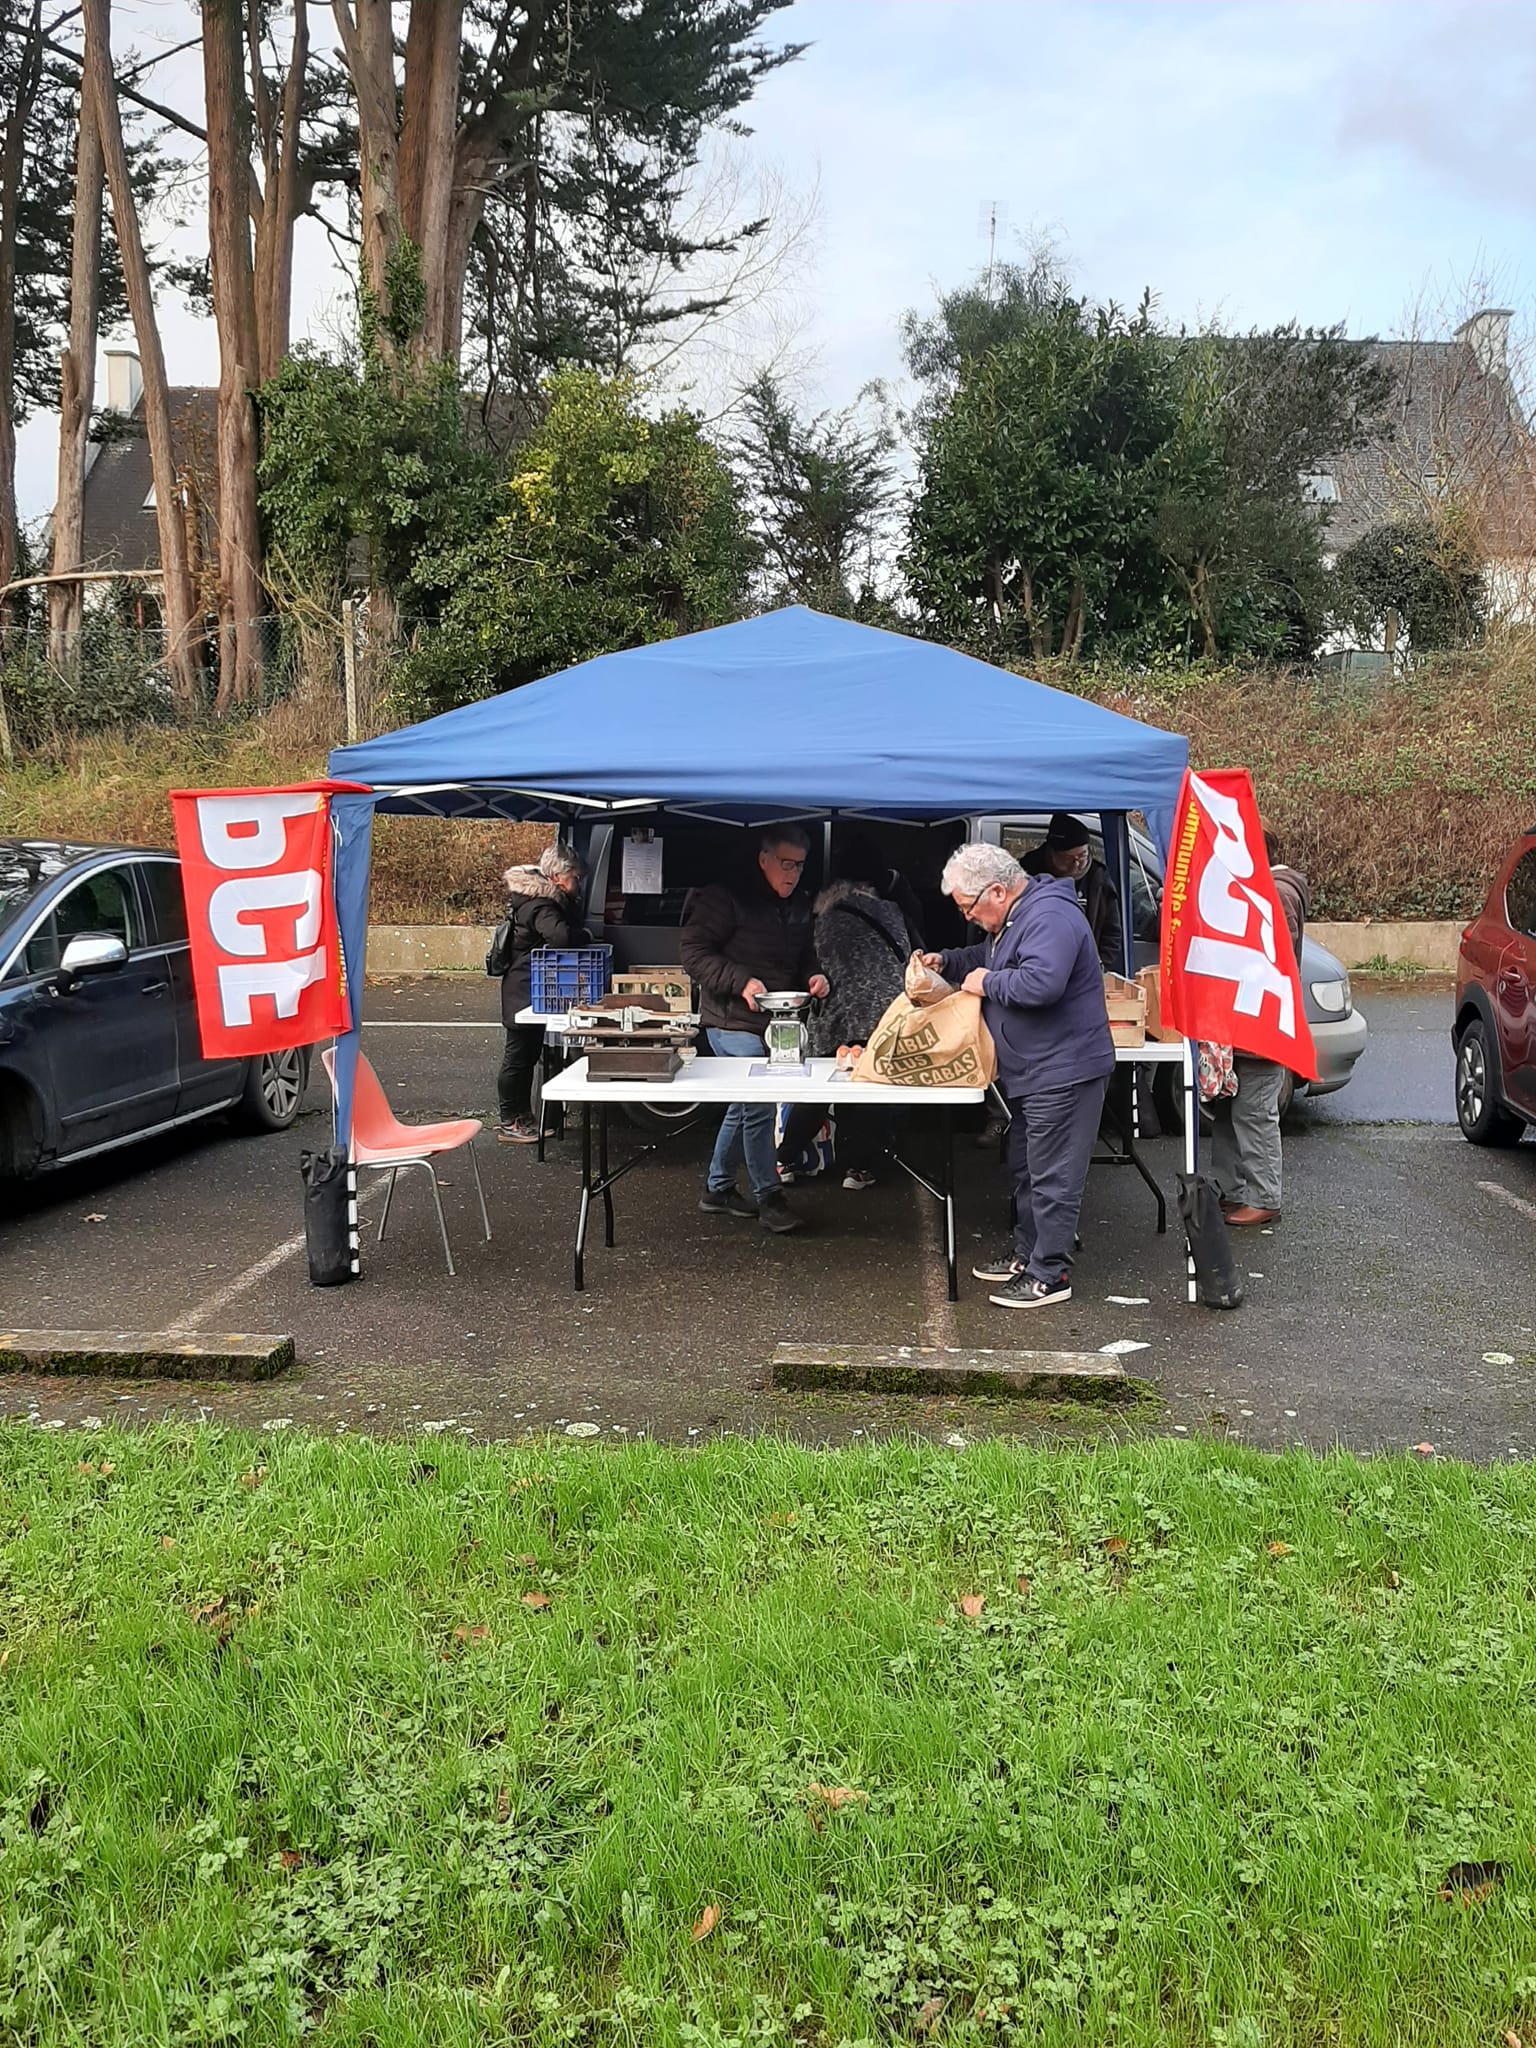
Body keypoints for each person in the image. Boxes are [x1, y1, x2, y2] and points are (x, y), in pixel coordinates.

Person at [925, 841, 1114, 1309]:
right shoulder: (1015, 919)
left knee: (1053, 1175)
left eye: (968, 907)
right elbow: (989, 956)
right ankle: (1028, 1255)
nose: (968, 917)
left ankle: (1049, 1274)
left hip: (1063, 1070)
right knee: (1028, 1168)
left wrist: (985, 983)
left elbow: (1041, 983)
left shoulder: (1049, 917)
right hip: (1035, 1070)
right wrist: (948, 962)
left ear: (996, 891)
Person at [680, 826, 828, 1233]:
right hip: (730, 1020)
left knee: (744, 1103)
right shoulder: (725, 896)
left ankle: (718, 1189)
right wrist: (741, 981)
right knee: (759, 1099)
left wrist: (815, 976)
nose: (793, 874)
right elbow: (692, 953)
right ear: (764, 859)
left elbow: (805, 956)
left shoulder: (799, 904)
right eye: (786, 864)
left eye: (800, 865)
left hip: (776, 1023)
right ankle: (770, 1197)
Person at [777, 846, 913, 1191]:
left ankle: (786, 1158)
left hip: (836, 1011)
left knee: (819, 1089)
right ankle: (860, 1168)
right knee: (871, 1090)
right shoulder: (892, 912)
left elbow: (807, 964)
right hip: (887, 1012)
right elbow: (912, 955)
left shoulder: (823, 917)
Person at [1212, 825, 1310, 1227]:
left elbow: (1272, 956)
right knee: (1229, 1111)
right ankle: (1235, 1190)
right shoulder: (1262, 889)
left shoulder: (1277, 893)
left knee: (1254, 1113)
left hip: (1261, 1023)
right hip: (1243, 1021)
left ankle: (1264, 1196)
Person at [493, 843, 587, 1143]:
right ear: (558, 877)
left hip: (527, 986)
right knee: (518, 1057)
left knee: (528, 1055)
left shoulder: (534, 900)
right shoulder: (542, 905)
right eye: (575, 877)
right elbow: (561, 937)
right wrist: (584, 935)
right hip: (524, 989)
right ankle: (510, 1120)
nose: (578, 883)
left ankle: (524, 1118)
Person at [1023, 813, 1124, 971]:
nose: (1076, 863)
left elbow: (1112, 932)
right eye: (1068, 858)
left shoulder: (1098, 879)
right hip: (1037, 965)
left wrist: (1100, 966)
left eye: (1082, 855)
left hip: (1084, 968)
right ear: (1051, 853)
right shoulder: (1027, 874)